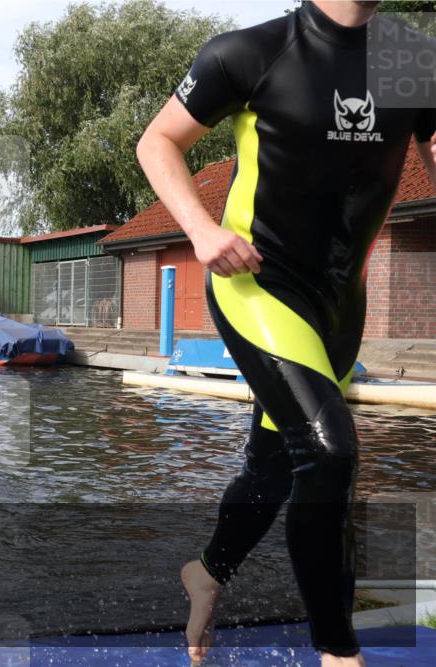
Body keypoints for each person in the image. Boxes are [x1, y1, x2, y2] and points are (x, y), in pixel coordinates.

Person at [135, 2, 436, 665]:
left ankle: (208, 572)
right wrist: (202, 230)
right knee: (329, 451)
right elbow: (157, 141)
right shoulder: (252, 52)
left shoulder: (415, 59)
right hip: (258, 285)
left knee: (274, 466)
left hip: (340, 305)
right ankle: (338, 652)